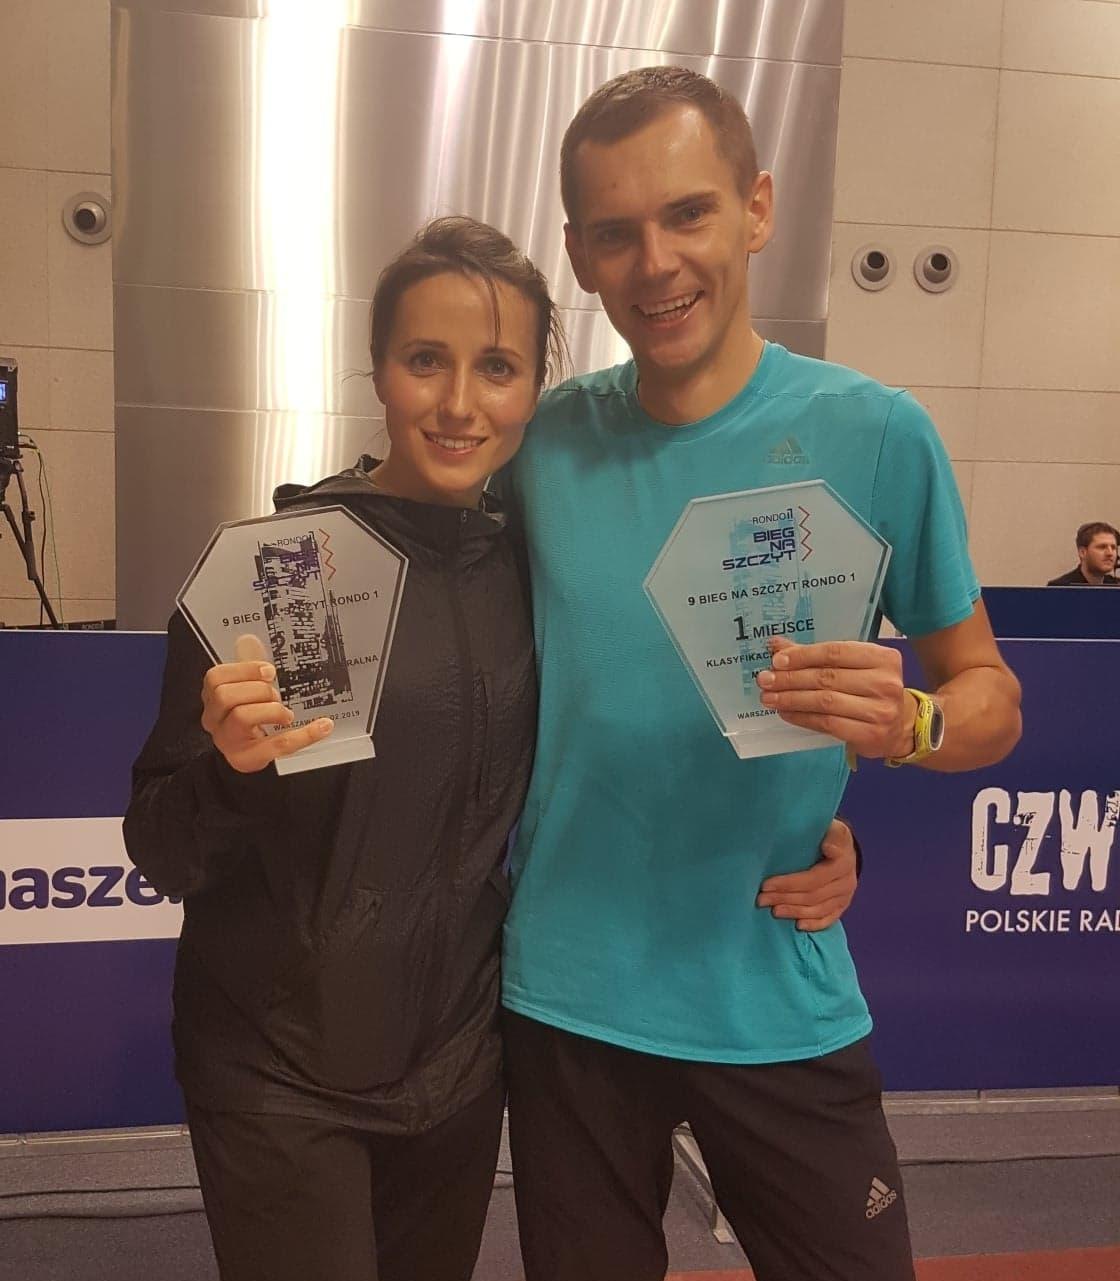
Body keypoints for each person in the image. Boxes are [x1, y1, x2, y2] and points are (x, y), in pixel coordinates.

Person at [122, 216, 860, 1281]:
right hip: (281, 1074)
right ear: (379, 369)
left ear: (534, 390)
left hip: (459, 1074)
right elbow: (160, 846)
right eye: (427, 360)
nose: (460, 403)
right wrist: (227, 773)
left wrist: (816, 835)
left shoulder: (537, 567)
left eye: (498, 368)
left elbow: (635, 739)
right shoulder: (283, 568)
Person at [495, 67, 1023, 1281]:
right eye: (616, 232)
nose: (656, 263)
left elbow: (987, 697)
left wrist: (911, 722)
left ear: (756, 209)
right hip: (569, 999)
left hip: (773, 979)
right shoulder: (543, 445)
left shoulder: (878, 434)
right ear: (578, 255)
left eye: (687, 213)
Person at [1046, 522, 1119, 586]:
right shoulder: (1060, 588)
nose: (1110, 553)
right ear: (1082, 552)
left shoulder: (1116, 585)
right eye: (1102, 547)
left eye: (1113, 548)